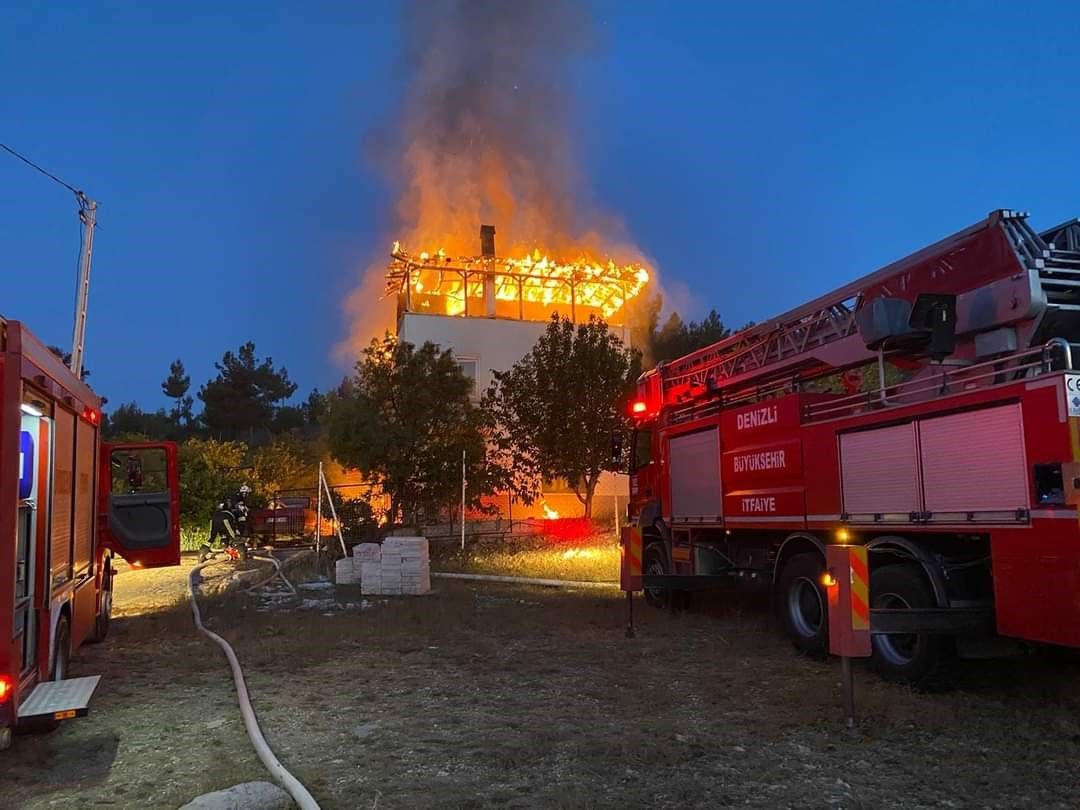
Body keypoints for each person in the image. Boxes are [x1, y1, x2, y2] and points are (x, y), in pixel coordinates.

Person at [202, 484, 252, 561]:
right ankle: (241, 554)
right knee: (235, 537)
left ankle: (202, 553)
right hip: (225, 519)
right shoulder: (238, 502)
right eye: (246, 493)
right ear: (244, 493)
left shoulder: (226, 500)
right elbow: (241, 518)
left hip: (213, 519)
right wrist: (242, 531)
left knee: (211, 538)